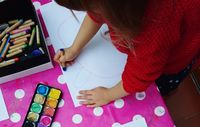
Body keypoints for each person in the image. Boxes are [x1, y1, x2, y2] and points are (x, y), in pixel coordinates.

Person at [54, 0, 200, 107]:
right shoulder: (115, 6)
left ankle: (168, 94)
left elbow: (140, 76)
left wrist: (108, 95)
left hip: (171, 62)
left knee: (159, 91)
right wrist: (74, 48)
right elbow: (96, 14)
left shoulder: (153, 27)